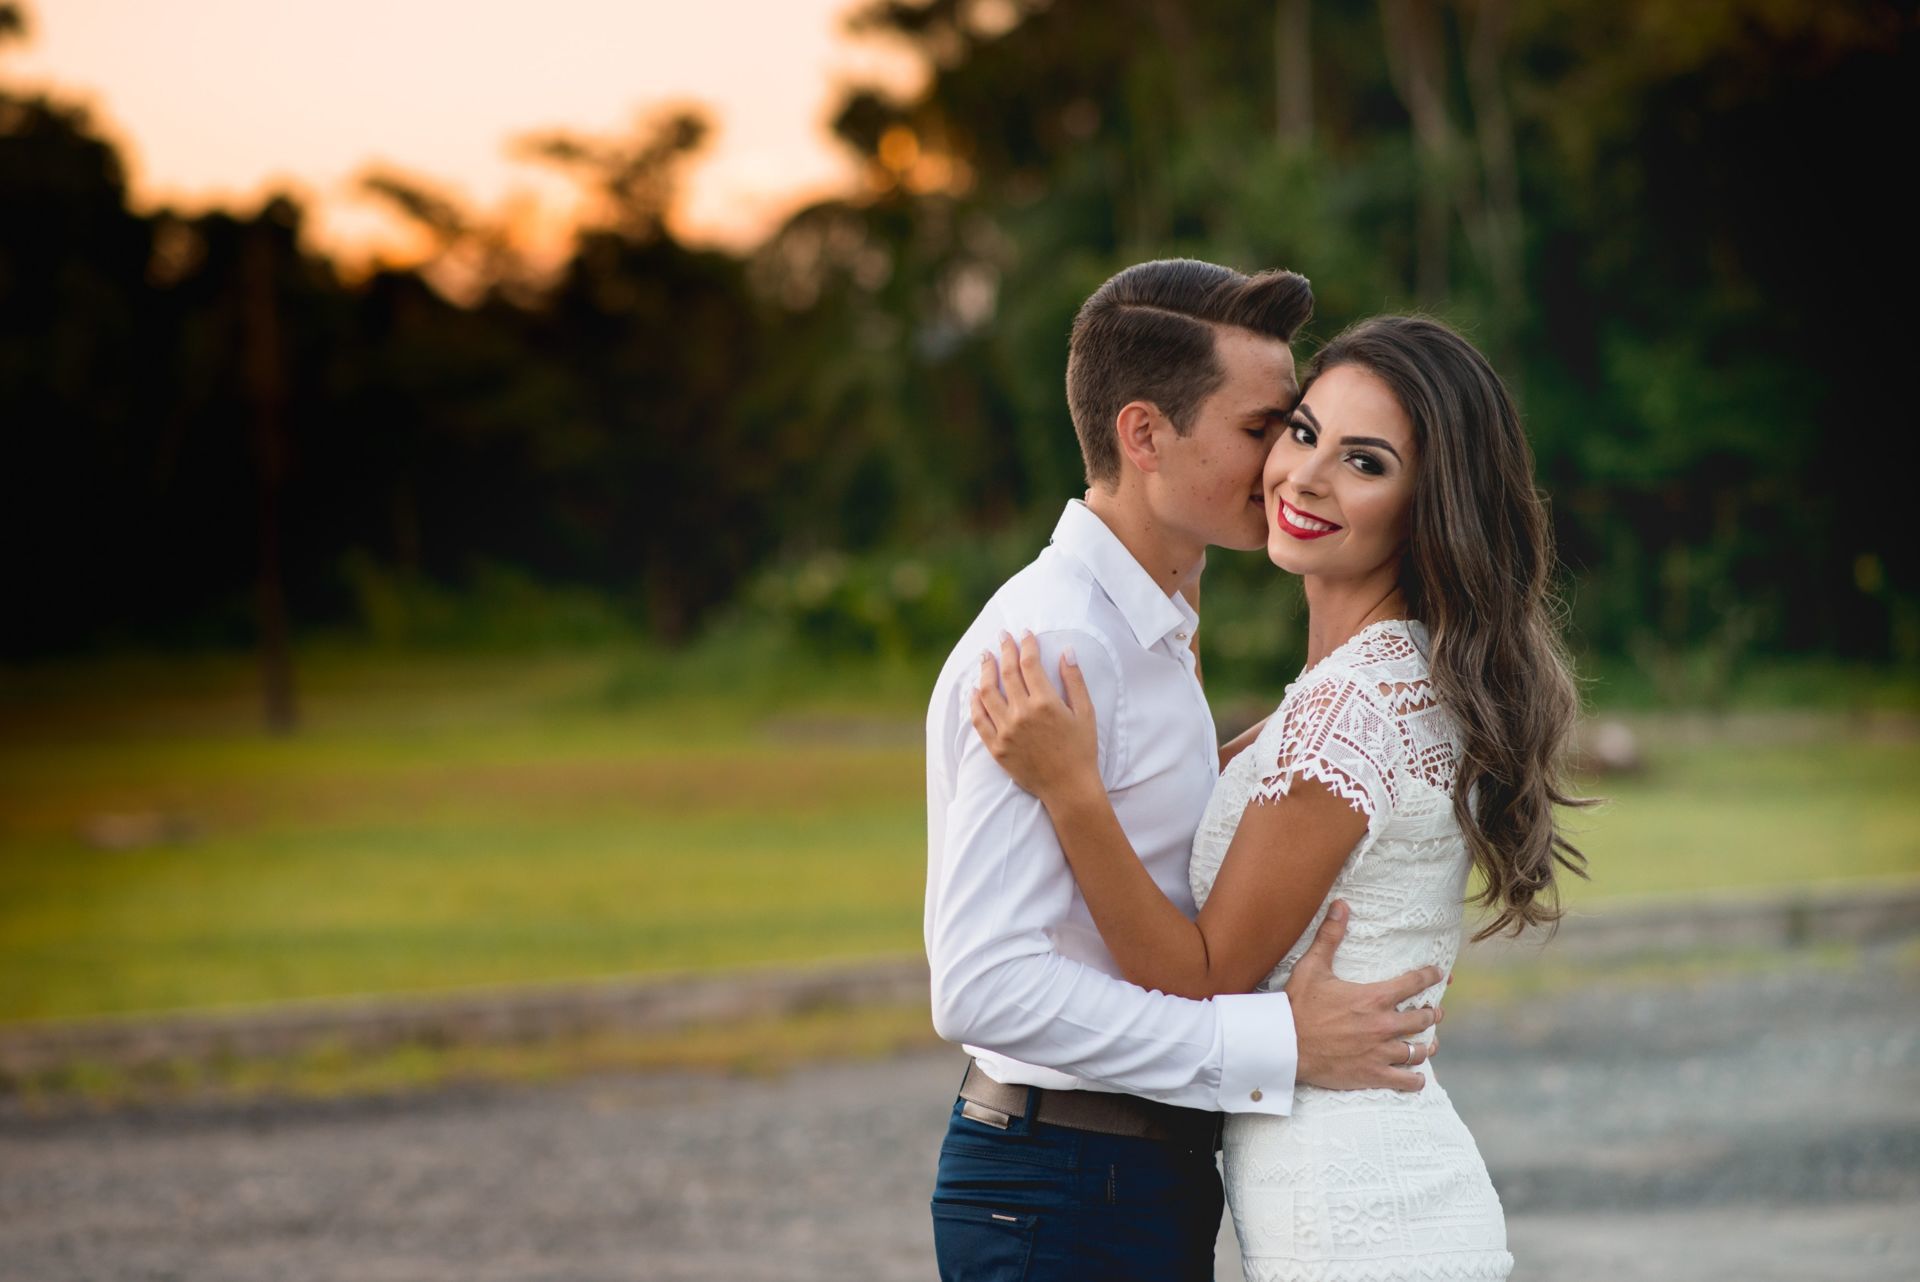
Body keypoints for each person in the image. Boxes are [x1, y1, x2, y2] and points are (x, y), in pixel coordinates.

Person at [972, 314, 1590, 1280]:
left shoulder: (1348, 708)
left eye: (1365, 462)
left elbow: (1199, 975)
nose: (1304, 476)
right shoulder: (1395, 677)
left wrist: (1071, 792)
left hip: (1352, 1218)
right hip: (1373, 1194)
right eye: (1300, 432)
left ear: (1429, 504)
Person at [925, 262, 1452, 1282]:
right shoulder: (1057, 645)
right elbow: (985, 987)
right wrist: (1272, 1046)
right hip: (1063, 1188)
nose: (1285, 470)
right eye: (1269, 430)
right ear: (1144, 435)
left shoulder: (1154, 631)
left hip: (1128, 1180)